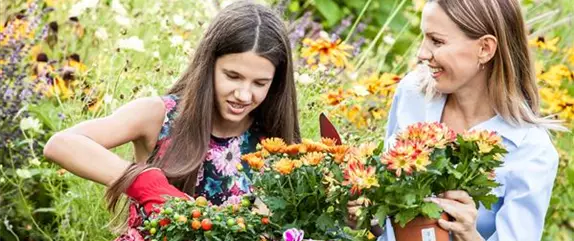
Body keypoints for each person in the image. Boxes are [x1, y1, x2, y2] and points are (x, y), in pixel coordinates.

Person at [43, 1, 300, 238]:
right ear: (208, 66)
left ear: (275, 82)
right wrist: (144, 183)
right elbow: (62, 144)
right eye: (232, 76)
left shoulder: (274, 143)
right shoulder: (160, 116)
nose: (243, 94)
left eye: (260, 83)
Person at [353, 0, 563, 240]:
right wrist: (364, 213)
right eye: (424, 38)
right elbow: (389, 226)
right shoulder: (413, 94)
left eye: (437, 41)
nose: (422, 53)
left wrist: (468, 234)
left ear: (485, 48)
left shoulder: (531, 149)